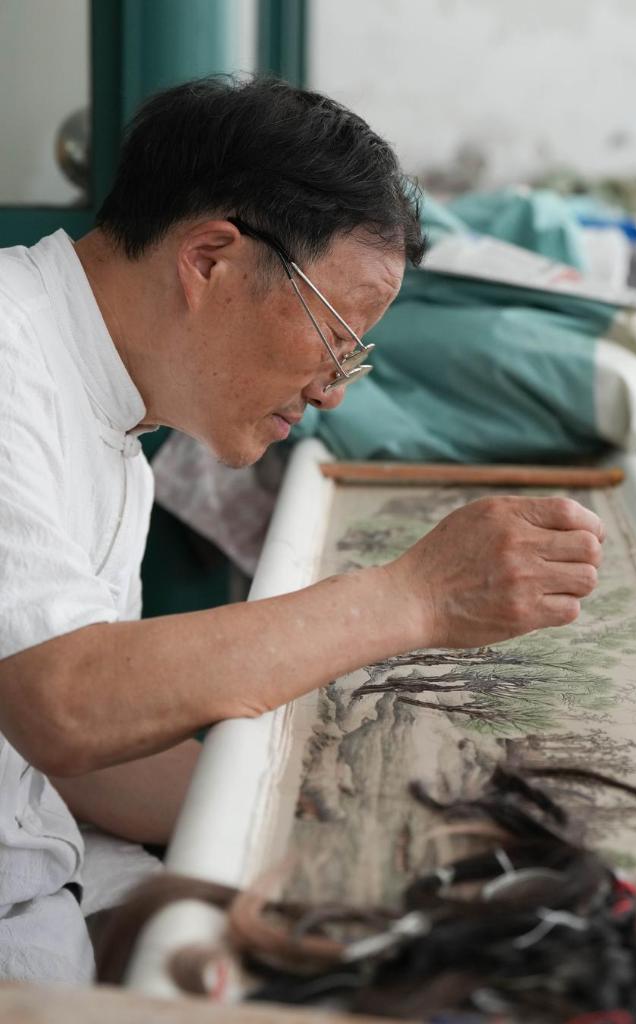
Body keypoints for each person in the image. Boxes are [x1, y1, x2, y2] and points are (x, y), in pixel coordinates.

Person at [0, 76, 604, 983]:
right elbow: (66, 705)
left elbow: (83, 757)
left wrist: (349, 824)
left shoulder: (111, 417)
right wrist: (415, 597)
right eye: (334, 338)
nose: (331, 393)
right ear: (211, 258)